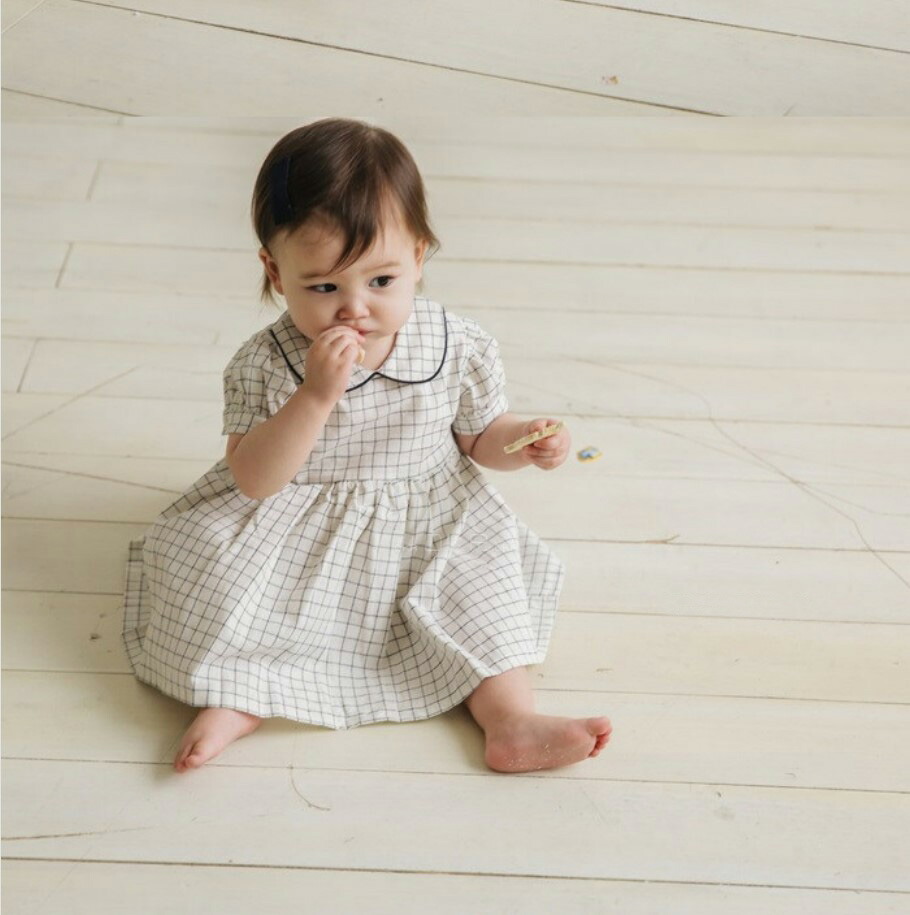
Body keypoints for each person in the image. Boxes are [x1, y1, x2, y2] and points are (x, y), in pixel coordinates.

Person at [121, 118, 612, 775]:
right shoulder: (265, 363)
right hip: (295, 523)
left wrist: (521, 443)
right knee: (237, 598)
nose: (354, 308)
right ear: (275, 271)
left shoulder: (456, 345)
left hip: (430, 519)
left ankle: (509, 718)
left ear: (419, 256)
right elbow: (255, 479)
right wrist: (315, 396)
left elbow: (479, 437)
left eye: (381, 281)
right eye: (324, 287)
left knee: (480, 592)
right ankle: (239, 699)